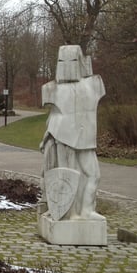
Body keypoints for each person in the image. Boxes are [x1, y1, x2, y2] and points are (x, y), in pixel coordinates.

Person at [40, 45, 105, 220]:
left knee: (93, 175)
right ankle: (70, 212)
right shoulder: (51, 89)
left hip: (86, 139)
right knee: (68, 176)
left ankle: (87, 210)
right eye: (62, 60)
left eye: (72, 60)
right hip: (63, 137)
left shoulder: (95, 83)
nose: (67, 65)